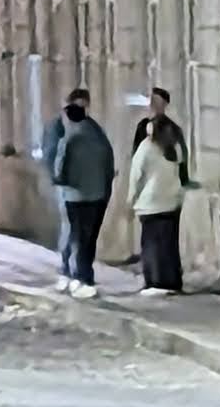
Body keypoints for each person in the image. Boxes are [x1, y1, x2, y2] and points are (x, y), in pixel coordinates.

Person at [41, 88, 117, 290]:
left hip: (80, 190)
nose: (83, 109)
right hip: (77, 189)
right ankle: (72, 269)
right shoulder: (61, 127)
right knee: (75, 233)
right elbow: (52, 155)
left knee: (78, 234)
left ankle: (76, 272)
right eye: (80, 105)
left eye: (85, 105)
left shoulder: (84, 130)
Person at [129, 99, 190, 294]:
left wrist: (131, 199)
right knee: (169, 245)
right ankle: (171, 281)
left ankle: (154, 281)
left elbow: (136, 175)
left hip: (150, 204)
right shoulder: (174, 148)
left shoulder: (146, 147)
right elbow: (182, 170)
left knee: (151, 245)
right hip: (172, 203)